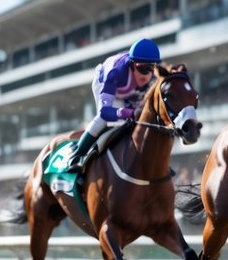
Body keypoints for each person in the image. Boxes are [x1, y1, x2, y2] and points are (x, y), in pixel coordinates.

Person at [66, 38, 161, 173]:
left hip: (128, 90)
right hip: (105, 82)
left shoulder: (152, 77)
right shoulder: (115, 72)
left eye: (151, 68)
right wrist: (126, 113)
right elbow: (105, 112)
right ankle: (77, 155)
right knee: (104, 119)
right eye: (142, 69)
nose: (147, 75)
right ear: (132, 65)